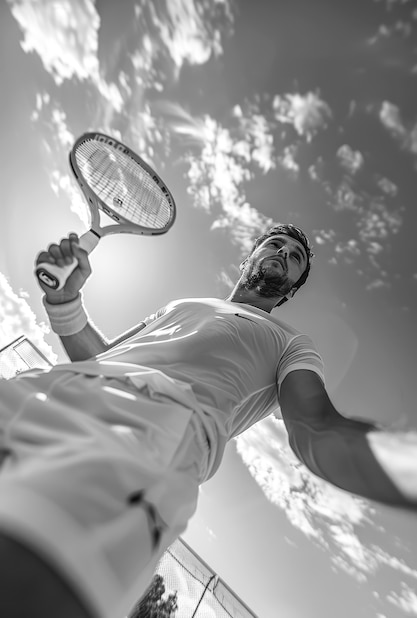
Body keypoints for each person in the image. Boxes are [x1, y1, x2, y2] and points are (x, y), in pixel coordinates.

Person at [0, 224, 415, 618]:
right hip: (43, 393)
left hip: (143, 442)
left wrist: (405, 465)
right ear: (249, 255)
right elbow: (102, 359)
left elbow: (318, 430)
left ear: (291, 289)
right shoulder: (183, 304)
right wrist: (65, 304)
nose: (283, 255)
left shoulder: (292, 343)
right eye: (275, 245)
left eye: (295, 259)